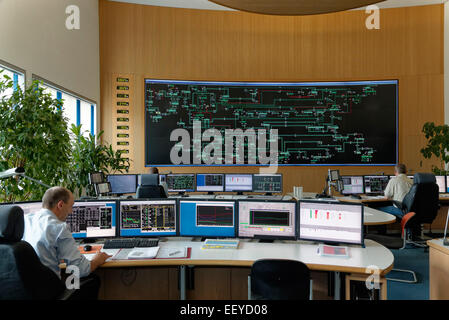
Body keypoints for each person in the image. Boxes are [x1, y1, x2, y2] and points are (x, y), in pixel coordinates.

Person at [22, 186, 111, 299]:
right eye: (71, 206)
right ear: (60, 205)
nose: (71, 211)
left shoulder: (26, 220)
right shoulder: (59, 227)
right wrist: (97, 260)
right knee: (92, 279)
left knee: (70, 277)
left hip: (26, 291)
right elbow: (81, 269)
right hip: (49, 292)